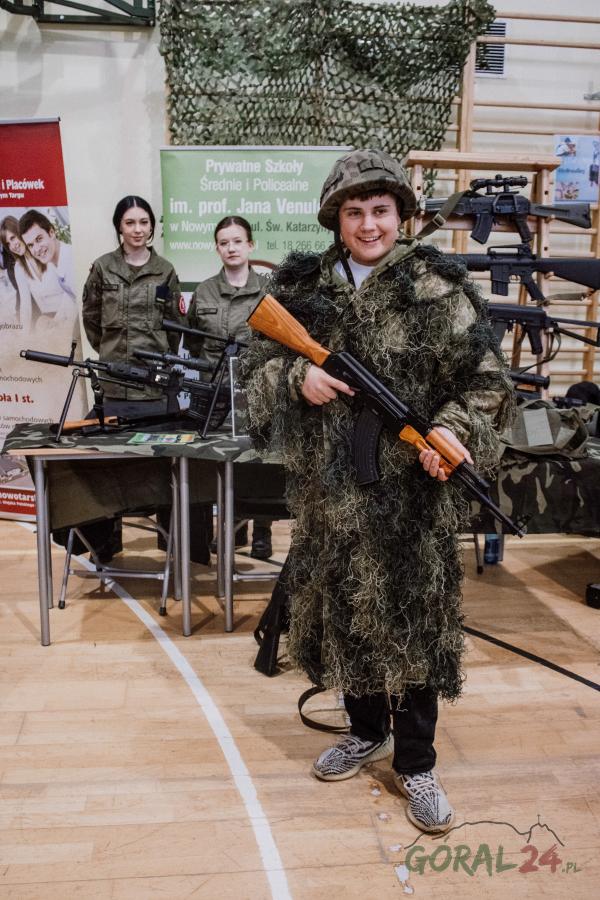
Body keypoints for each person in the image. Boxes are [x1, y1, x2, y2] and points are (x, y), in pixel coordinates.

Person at [240, 150, 514, 833]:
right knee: (348, 618)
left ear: (402, 215)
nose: (369, 225)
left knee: (417, 628)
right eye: (355, 212)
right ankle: (366, 732)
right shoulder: (303, 289)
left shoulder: (437, 290)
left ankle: (416, 762)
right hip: (328, 502)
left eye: (381, 211)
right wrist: (296, 379)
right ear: (336, 220)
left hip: (411, 505)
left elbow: (486, 385)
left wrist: (450, 432)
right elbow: (255, 377)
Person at [184, 215, 273, 560]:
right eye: (224, 243)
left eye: (237, 241)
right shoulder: (205, 291)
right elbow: (193, 342)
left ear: (250, 245)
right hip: (214, 393)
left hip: (256, 391)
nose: (231, 248)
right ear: (217, 248)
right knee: (220, 465)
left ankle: (262, 531)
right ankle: (232, 530)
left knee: (259, 462)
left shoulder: (267, 290)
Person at [0, 214, 77, 336]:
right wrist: (24, 335)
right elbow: (25, 306)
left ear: (20, 233)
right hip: (49, 318)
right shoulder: (19, 268)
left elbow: (69, 291)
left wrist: (58, 321)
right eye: (8, 243)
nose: (12, 245)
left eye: (13, 238)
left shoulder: (46, 252)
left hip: (69, 311)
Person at [19, 209, 76, 300]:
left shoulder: (72, 263)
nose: (37, 249)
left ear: (51, 233)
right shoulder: (54, 263)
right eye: (31, 245)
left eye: (39, 239)